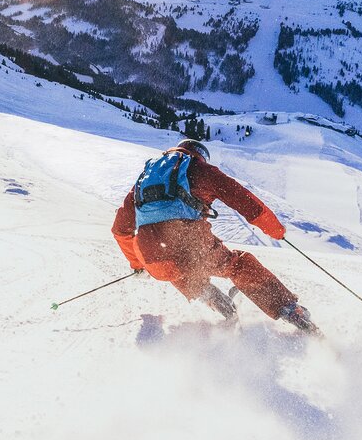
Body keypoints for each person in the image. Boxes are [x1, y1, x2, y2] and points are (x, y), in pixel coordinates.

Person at [111, 138, 317, 333]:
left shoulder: (145, 179)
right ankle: (290, 310)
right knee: (238, 265)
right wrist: (276, 230)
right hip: (186, 240)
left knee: (175, 267)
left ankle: (216, 301)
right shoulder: (199, 169)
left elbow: (120, 229)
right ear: (199, 155)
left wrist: (138, 265)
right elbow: (243, 199)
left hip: (150, 255)